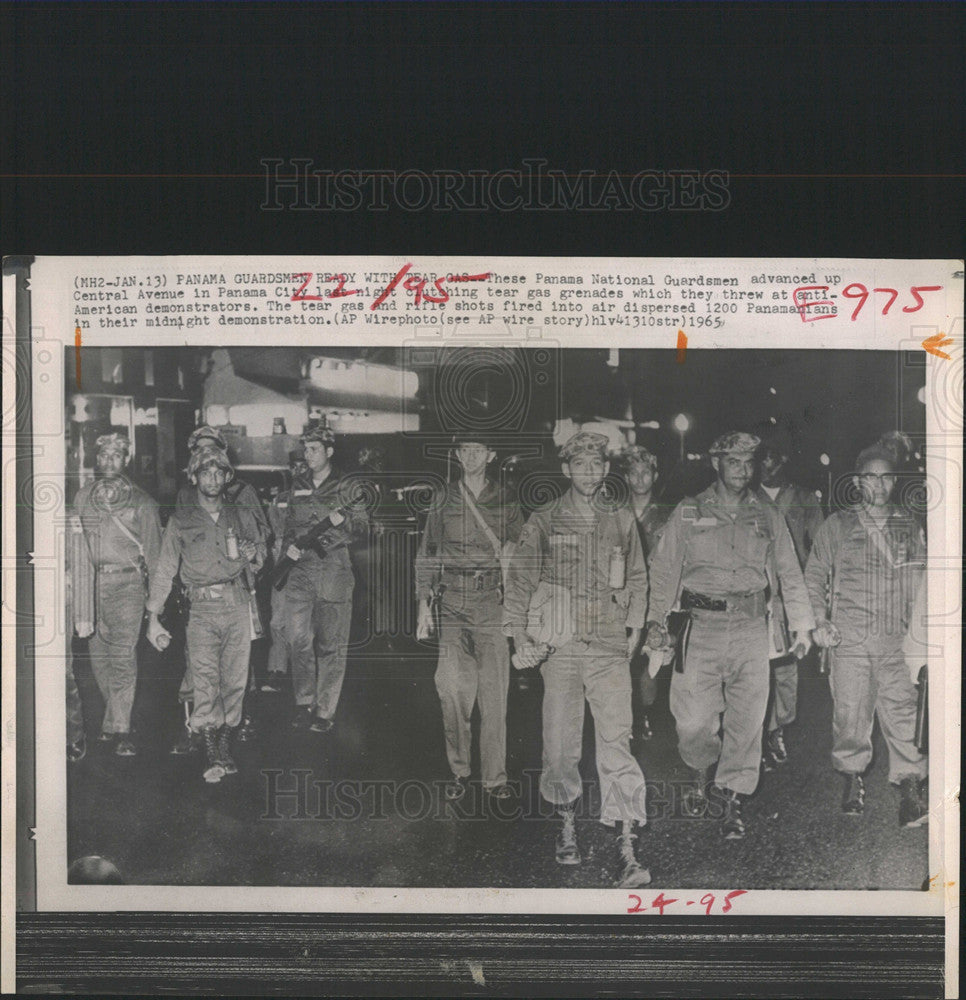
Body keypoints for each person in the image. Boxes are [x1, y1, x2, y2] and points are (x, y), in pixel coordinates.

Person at [647, 432, 814, 839]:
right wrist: (654, 623)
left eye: (748, 462)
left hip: (751, 629)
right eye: (733, 462)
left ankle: (731, 799)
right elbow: (665, 569)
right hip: (699, 626)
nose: (743, 470)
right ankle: (702, 769)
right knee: (693, 721)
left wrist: (803, 624)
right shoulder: (689, 511)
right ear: (716, 463)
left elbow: (789, 570)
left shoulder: (767, 513)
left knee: (747, 719)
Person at [504, 431, 652, 888]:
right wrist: (518, 637)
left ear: (606, 469)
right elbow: (521, 579)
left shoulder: (621, 517)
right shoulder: (545, 519)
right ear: (566, 470)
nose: (589, 472)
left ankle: (626, 843)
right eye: (580, 465)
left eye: (597, 465)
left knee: (616, 740)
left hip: (608, 644)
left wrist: (635, 627)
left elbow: (638, 576)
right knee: (561, 743)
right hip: (561, 648)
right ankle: (566, 821)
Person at [805, 444, 927, 826]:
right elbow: (813, 576)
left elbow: (921, 584)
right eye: (871, 476)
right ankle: (852, 777)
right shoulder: (837, 526)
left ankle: (910, 786)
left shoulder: (908, 525)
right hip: (850, 638)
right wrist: (818, 621)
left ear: (894, 481)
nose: (880, 484)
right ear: (858, 481)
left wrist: (921, 638)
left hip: (895, 638)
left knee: (903, 712)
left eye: (887, 477)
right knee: (850, 714)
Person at [146, 445, 265, 782]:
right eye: (205, 473)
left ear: (226, 477)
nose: (213, 479)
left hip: (237, 603)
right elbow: (164, 570)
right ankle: (212, 747)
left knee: (235, 679)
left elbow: (259, 557)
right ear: (194, 477)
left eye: (219, 473)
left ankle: (225, 740)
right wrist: (153, 617)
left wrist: (253, 552)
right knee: (204, 677)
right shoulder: (181, 520)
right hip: (201, 608)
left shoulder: (239, 514)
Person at [415, 433, 523, 801]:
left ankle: (495, 777)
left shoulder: (506, 497)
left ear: (491, 455)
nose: (471, 456)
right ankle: (459, 770)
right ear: (457, 455)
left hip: (491, 601)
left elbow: (519, 555)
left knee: (494, 695)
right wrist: (423, 605)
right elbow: (428, 551)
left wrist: (519, 609)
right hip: (452, 603)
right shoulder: (443, 497)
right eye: (465, 450)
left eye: (478, 450)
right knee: (452, 691)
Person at [171, 425, 269, 752]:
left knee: (236, 667)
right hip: (199, 599)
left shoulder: (242, 494)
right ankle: (198, 728)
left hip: (237, 590)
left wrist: (253, 559)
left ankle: (234, 723)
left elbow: (258, 543)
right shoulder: (185, 498)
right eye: (199, 450)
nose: (207, 457)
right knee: (198, 666)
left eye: (213, 450)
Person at [72, 433, 162, 756]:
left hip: (128, 586)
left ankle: (121, 728)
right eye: (104, 456)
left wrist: (156, 608)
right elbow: (74, 546)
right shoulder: (83, 499)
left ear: (127, 461)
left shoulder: (143, 502)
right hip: (91, 587)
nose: (110, 461)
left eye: (117, 456)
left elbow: (154, 555)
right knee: (99, 658)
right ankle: (116, 717)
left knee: (123, 656)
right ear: (97, 460)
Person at [276, 425, 368, 733]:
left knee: (331, 645)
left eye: (314, 449)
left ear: (329, 451)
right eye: (306, 449)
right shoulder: (297, 485)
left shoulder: (348, 486)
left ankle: (324, 711)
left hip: (333, 571)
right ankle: (304, 702)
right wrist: (288, 547)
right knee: (297, 640)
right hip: (301, 572)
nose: (308, 454)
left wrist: (338, 530)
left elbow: (363, 528)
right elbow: (289, 525)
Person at [756, 436, 826, 770]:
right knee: (753, 667)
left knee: (784, 669)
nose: (764, 464)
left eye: (771, 457)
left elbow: (818, 550)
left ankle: (777, 728)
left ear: (784, 459)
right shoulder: (747, 498)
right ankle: (755, 732)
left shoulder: (804, 498)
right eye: (761, 458)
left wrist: (814, 602)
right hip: (760, 596)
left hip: (791, 597)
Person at [621, 445, 671, 742]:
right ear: (626, 477)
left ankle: (645, 711)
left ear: (655, 475)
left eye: (646, 472)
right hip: (624, 595)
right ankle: (630, 715)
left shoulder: (668, 514)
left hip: (656, 593)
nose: (640, 479)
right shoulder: (615, 511)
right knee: (624, 656)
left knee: (649, 659)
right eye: (633, 473)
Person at [261, 453, 308, 693]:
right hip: (282, 566)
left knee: (307, 624)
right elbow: (271, 533)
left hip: (309, 565)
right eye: (295, 466)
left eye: (303, 466)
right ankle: (277, 670)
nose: (299, 470)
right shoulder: (279, 500)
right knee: (277, 620)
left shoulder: (317, 499)